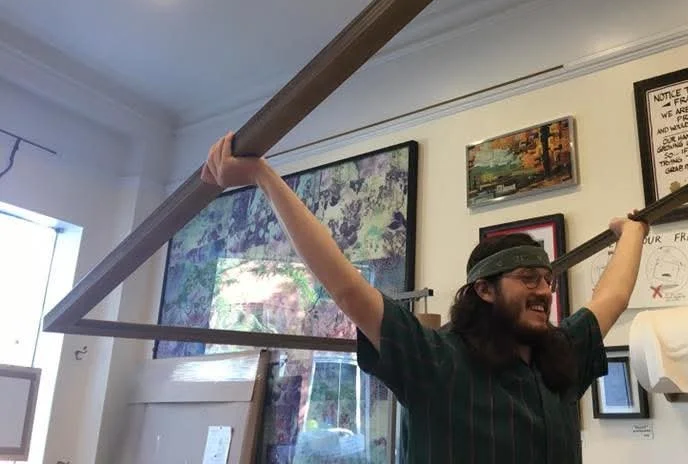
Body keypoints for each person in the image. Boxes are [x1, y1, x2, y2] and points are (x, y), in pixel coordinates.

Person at [201, 132, 649, 463]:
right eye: (529, 279)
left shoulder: (560, 356)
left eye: (548, 281)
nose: (545, 291)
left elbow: (612, 297)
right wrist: (262, 176)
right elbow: (346, 287)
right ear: (485, 290)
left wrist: (631, 232)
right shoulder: (438, 360)